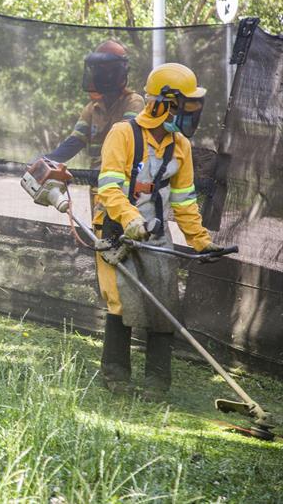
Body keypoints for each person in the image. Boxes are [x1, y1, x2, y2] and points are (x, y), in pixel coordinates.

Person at [97, 62, 224, 396]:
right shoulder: (123, 134)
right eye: (186, 106)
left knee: (163, 303)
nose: (190, 114)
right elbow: (109, 188)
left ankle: (157, 381)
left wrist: (200, 241)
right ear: (162, 103)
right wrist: (130, 220)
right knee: (122, 302)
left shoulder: (180, 145)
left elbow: (183, 201)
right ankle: (116, 376)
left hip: (155, 234)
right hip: (116, 230)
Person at [46, 39, 146, 330]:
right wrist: (47, 160)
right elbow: (74, 141)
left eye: (103, 71)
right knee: (103, 242)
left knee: (128, 242)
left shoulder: (134, 103)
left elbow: (124, 139)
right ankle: (111, 304)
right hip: (97, 187)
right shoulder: (93, 107)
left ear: (116, 73)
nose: (97, 76)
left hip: (127, 190)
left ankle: (130, 307)